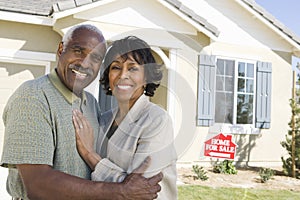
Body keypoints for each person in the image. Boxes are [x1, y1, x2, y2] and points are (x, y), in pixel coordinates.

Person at [0, 24, 162, 200]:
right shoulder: (33, 97)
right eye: (78, 51)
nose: (85, 63)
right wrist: (121, 191)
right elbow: (38, 185)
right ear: (61, 49)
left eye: (95, 58)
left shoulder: (91, 103)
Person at [72, 36, 178, 199]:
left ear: (146, 77)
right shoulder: (104, 119)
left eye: (132, 68)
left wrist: (90, 155)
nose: (123, 75)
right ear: (108, 75)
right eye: (116, 67)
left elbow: (140, 190)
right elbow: (126, 186)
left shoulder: (157, 121)